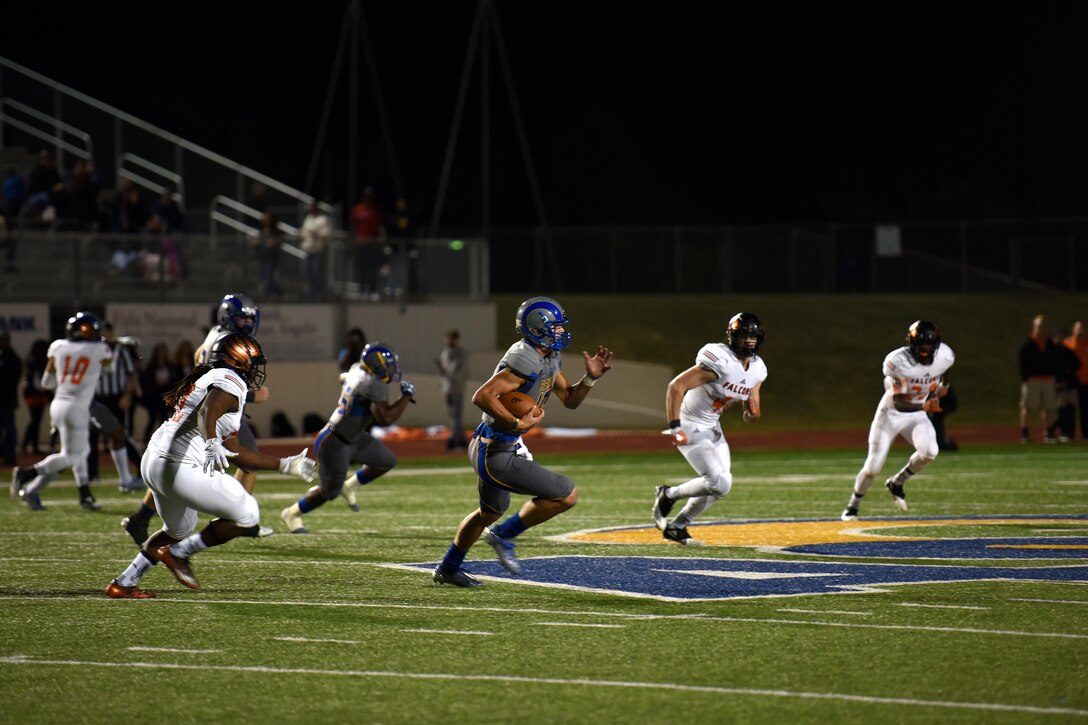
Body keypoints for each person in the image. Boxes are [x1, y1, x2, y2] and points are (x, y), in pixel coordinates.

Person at [105, 333, 316, 598]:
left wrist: (285, 465)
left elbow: (236, 449)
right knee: (248, 512)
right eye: (252, 362)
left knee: (178, 529)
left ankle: (123, 583)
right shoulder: (230, 382)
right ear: (239, 360)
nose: (255, 369)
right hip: (177, 466)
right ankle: (180, 553)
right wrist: (210, 442)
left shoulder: (210, 377)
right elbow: (208, 412)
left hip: (155, 462)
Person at [432, 296, 613, 587]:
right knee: (566, 495)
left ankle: (448, 567)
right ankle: (505, 535)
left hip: (501, 445)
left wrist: (590, 379)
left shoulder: (549, 355)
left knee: (487, 513)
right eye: (554, 327)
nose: (560, 331)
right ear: (537, 328)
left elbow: (570, 400)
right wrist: (517, 422)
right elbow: (482, 396)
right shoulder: (525, 357)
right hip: (496, 452)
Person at [121, 294, 269, 546]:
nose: (246, 324)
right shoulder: (226, 341)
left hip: (198, 407)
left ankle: (140, 518)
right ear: (228, 317)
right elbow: (220, 380)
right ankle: (238, 520)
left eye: (249, 319)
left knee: (173, 463)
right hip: (216, 410)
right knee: (249, 461)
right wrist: (252, 397)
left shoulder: (214, 334)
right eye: (242, 318)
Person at [651, 313, 768, 544]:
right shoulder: (720, 360)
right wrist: (675, 427)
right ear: (732, 336)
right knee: (719, 482)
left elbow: (752, 408)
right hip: (690, 423)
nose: (748, 341)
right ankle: (668, 494)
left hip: (712, 426)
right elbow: (676, 386)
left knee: (720, 486)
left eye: (752, 337)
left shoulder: (758, 369)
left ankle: (678, 526)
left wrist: (752, 413)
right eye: (743, 336)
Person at [280, 342, 416, 533]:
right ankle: (292, 513)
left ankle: (349, 486)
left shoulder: (356, 370)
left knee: (386, 461)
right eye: (388, 365)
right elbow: (386, 419)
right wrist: (405, 397)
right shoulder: (372, 383)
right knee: (329, 492)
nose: (392, 370)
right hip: (335, 442)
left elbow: (343, 378)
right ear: (375, 367)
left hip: (354, 437)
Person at [841, 320, 956, 521]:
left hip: (917, 414)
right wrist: (925, 406)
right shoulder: (898, 362)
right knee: (873, 468)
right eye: (921, 344)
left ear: (936, 344)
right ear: (912, 343)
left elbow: (944, 370)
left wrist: (943, 387)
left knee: (930, 451)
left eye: (929, 344)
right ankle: (853, 506)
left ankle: (897, 482)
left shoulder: (944, 357)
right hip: (891, 414)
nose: (925, 348)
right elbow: (899, 403)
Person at [10, 313, 113, 510]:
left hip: (58, 404)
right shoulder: (101, 348)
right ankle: (28, 473)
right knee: (73, 456)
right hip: (78, 407)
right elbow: (109, 370)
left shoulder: (58, 346)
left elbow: (46, 382)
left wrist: (69, 375)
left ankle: (81, 495)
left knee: (77, 453)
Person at [87, 321, 141, 484]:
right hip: (97, 398)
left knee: (120, 434)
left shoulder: (120, 350)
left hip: (116, 398)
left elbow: (131, 374)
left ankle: (139, 467)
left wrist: (127, 395)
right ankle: (92, 474)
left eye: (108, 331)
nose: (106, 334)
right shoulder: (93, 350)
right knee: (92, 436)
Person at [1019, 314, 1060, 444]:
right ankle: (1024, 433)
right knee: (1027, 406)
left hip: (1048, 379)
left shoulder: (1050, 344)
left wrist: (1054, 376)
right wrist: (1025, 378)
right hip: (1033, 379)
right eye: (1038, 327)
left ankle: (1049, 432)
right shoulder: (1027, 344)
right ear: (1033, 327)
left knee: (1049, 407)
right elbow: (1022, 362)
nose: (1040, 329)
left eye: (1042, 327)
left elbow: (1055, 361)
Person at [435, 328, 469, 450]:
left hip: (456, 389)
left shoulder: (460, 354)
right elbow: (444, 373)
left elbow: (457, 374)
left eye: (451, 338)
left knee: (456, 415)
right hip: (447, 388)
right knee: (452, 416)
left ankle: (454, 440)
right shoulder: (445, 352)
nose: (449, 340)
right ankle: (461, 439)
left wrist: (444, 371)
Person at [350, 186, 385, 297]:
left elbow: (380, 227)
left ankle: (372, 290)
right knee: (361, 268)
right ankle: (361, 289)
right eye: (366, 196)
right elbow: (354, 226)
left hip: (372, 244)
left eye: (370, 196)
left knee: (372, 267)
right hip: (361, 243)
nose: (368, 198)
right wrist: (353, 241)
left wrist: (380, 240)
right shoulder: (358, 209)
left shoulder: (377, 210)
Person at [140, 341, 177, 442]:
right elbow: (146, 380)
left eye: (163, 351)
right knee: (152, 420)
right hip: (154, 396)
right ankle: (145, 441)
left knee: (164, 420)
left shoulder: (169, 365)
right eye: (159, 351)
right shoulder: (151, 365)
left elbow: (174, 379)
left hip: (166, 396)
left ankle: (163, 441)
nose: (161, 353)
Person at [21, 339, 51, 455]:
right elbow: (39, 381)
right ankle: (31, 445)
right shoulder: (37, 362)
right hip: (35, 394)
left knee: (36, 421)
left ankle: (30, 444)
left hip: (34, 393)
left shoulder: (32, 361)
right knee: (35, 420)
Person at [249, 211, 284, 299]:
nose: (265, 220)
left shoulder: (276, 231)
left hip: (272, 258)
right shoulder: (262, 231)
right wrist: (255, 244)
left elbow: (279, 242)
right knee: (264, 276)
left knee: (268, 276)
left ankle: (271, 293)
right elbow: (259, 244)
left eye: (267, 219)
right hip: (263, 257)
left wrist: (273, 243)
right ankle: (275, 292)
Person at [1053, 333, 1081, 444]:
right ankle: (1063, 431)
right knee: (1062, 410)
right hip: (1061, 386)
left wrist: (1068, 373)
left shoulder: (1068, 352)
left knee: (1070, 410)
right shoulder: (1054, 353)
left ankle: (1070, 432)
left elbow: (1078, 364)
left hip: (1070, 385)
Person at [300, 200, 331, 298]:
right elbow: (304, 232)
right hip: (308, 249)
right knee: (308, 272)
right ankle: (312, 291)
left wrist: (316, 233)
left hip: (318, 249)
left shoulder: (323, 219)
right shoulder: (308, 219)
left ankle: (319, 291)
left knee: (316, 272)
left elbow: (327, 233)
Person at [0, 331, 22, 466]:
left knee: (9, 430)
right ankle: (4, 453)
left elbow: (14, 379)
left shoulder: (13, 358)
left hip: (7, 401)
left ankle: (10, 456)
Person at [1064, 321, 1088, 440]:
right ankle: (1069, 433)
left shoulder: (1086, 343)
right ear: (1073, 329)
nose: (1080, 330)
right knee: (1070, 408)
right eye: (1078, 328)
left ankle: (1086, 433)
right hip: (1072, 382)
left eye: (1082, 328)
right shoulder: (1068, 343)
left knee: (1085, 408)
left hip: (1086, 380)